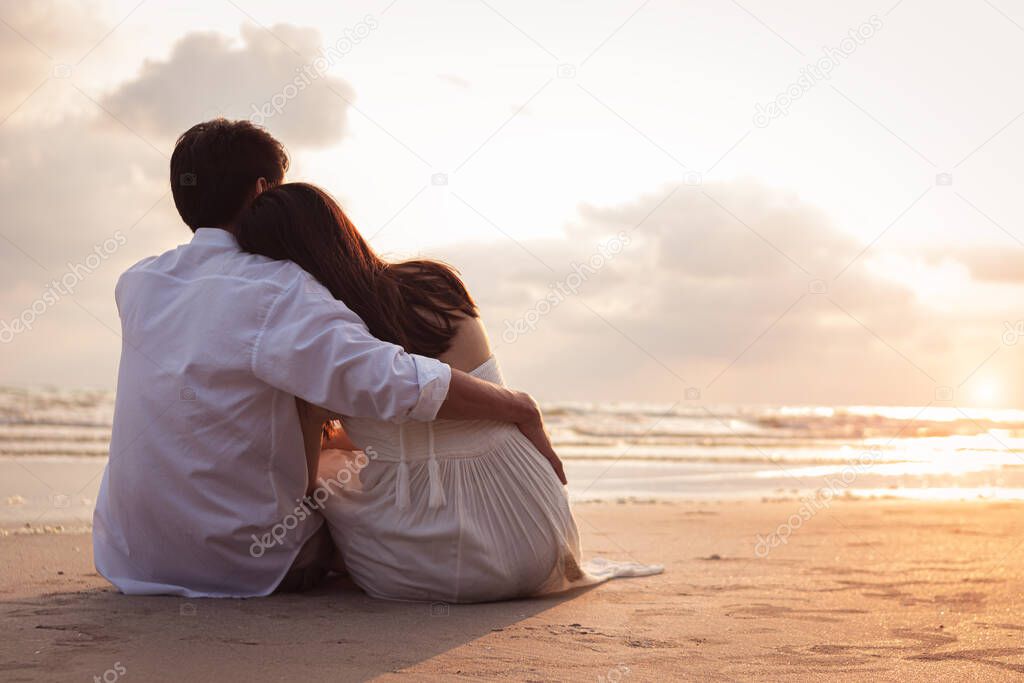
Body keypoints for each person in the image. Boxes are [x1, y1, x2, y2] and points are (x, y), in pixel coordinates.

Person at [92, 119, 564, 598]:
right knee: (324, 491)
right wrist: (518, 406)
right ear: (261, 191)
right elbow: (393, 380)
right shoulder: (279, 288)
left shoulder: (137, 283)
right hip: (237, 565)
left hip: (132, 555)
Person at [237, 182, 663, 603]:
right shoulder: (433, 282)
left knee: (327, 467)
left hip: (424, 571)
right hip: (541, 540)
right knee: (358, 453)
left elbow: (306, 482)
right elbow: (442, 419)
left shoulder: (327, 341)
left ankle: (340, 556)